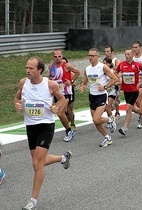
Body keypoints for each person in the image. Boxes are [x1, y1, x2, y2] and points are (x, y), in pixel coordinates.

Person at [14, 56, 72, 210]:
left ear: (39, 70)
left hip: (46, 126)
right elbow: (17, 98)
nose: (27, 70)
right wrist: (17, 105)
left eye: (31, 68)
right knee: (38, 162)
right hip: (30, 126)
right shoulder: (23, 83)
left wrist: (57, 107)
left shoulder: (50, 84)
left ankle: (33, 201)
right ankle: (62, 157)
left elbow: (62, 99)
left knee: (37, 163)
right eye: (26, 68)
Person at [80, 48, 118, 147]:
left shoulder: (103, 67)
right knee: (96, 121)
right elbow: (84, 80)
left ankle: (110, 120)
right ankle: (107, 137)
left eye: (92, 56)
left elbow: (114, 79)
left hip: (101, 96)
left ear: (97, 57)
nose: (90, 57)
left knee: (96, 119)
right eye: (89, 55)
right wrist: (82, 86)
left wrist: (105, 87)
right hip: (92, 96)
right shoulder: (87, 69)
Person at [48, 50, 80, 142]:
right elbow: (51, 76)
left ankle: (69, 130)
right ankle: (68, 128)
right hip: (56, 93)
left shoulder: (66, 65)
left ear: (62, 56)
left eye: (59, 56)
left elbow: (77, 72)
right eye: (55, 56)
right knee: (59, 113)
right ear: (53, 57)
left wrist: (71, 81)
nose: (57, 58)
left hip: (66, 93)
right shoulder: (51, 66)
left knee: (60, 113)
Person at [115, 49, 142, 136]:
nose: (127, 56)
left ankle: (125, 128)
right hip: (126, 89)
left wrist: (141, 81)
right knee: (133, 108)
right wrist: (118, 75)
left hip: (134, 90)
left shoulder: (138, 65)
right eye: (125, 54)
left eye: (128, 54)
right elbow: (116, 72)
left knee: (128, 108)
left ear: (133, 55)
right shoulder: (122, 64)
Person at [132, 40, 142, 128]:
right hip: (134, 81)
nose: (134, 49)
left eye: (136, 47)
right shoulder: (132, 58)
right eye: (133, 47)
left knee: (138, 100)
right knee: (138, 101)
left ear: (140, 48)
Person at [104, 45, 121, 118]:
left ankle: (117, 112)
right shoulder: (105, 61)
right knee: (110, 101)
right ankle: (113, 113)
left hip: (115, 84)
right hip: (108, 85)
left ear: (112, 52)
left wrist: (114, 68)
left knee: (115, 99)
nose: (106, 53)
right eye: (105, 51)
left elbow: (119, 69)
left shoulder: (116, 60)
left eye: (108, 51)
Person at [103, 57, 119, 124]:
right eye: (104, 63)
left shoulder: (113, 72)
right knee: (106, 108)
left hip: (112, 92)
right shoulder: (102, 73)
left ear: (110, 64)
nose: (105, 64)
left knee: (107, 107)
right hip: (105, 92)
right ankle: (111, 119)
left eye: (106, 63)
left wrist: (111, 84)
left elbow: (119, 82)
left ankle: (112, 120)